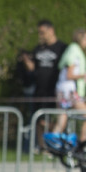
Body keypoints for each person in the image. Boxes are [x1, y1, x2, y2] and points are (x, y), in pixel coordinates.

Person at [53, 28, 86, 146]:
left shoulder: (73, 50)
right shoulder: (74, 51)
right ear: (81, 39)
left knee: (62, 119)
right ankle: (83, 145)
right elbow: (69, 74)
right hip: (67, 90)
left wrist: (85, 78)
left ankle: (51, 146)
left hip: (63, 89)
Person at [31, 20, 67, 150]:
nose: (41, 35)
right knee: (38, 121)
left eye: (43, 32)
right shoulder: (39, 49)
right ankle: (43, 147)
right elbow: (33, 69)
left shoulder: (62, 48)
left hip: (55, 90)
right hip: (40, 90)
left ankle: (57, 139)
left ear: (51, 30)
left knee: (57, 119)